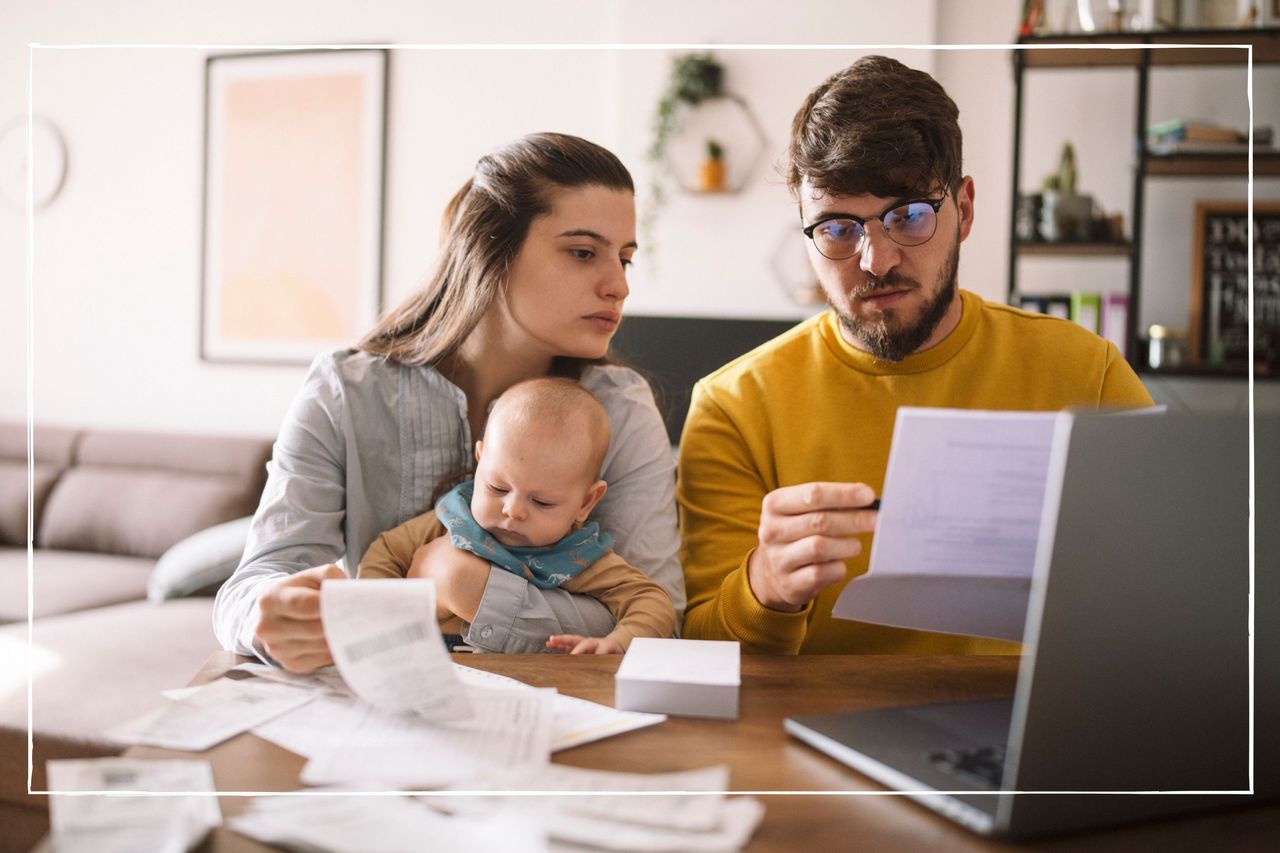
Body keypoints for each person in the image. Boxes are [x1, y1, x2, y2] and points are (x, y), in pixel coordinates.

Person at [677, 55, 1154, 655]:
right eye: (837, 228)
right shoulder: (732, 406)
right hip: (811, 737)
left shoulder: (1090, 374)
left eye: (908, 215)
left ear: (967, 210)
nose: (876, 261)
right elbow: (698, 653)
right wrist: (765, 589)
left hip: (1033, 730)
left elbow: (1171, 594)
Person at [213, 133, 684, 673]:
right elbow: (250, 588)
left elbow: (660, 615)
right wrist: (266, 617)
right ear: (490, 252)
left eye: (625, 258)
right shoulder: (344, 391)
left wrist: (463, 585)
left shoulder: (620, 409)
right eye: (583, 253)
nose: (619, 285)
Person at [357, 377, 676, 654]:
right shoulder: (454, 519)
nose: (513, 510)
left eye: (542, 502)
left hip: (529, 680)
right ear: (480, 461)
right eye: (497, 487)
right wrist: (375, 619)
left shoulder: (577, 556)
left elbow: (652, 602)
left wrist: (619, 642)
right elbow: (385, 552)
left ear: (586, 502)